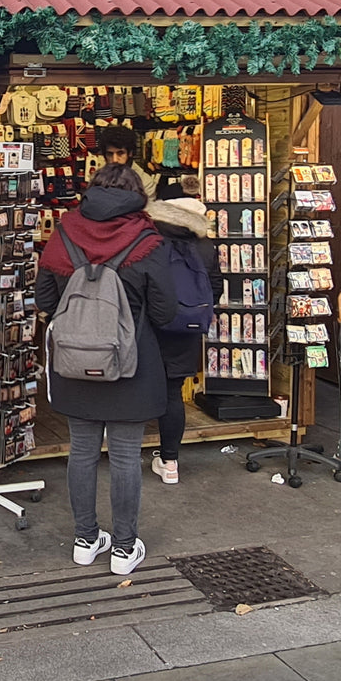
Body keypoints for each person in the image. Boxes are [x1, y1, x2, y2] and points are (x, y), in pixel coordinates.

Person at [36, 163, 176, 575]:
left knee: (81, 452)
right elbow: (166, 312)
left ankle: (85, 540)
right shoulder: (147, 240)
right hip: (130, 366)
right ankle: (123, 548)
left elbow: (45, 298)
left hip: (74, 363)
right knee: (126, 455)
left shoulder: (64, 233)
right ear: (137, 196)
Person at [145, 191, 222, 486]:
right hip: (186, 327)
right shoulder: (204, 245)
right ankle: (170, 462)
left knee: (134, 385)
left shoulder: (150, 240)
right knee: (172, 393)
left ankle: (122, 454)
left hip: (150, 325)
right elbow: (215, 286)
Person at [99, 124, 159, 198]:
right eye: (110, 154)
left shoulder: (145, 183)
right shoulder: (98, 179)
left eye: (120, 153)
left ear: (130, 153)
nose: (115, 160)